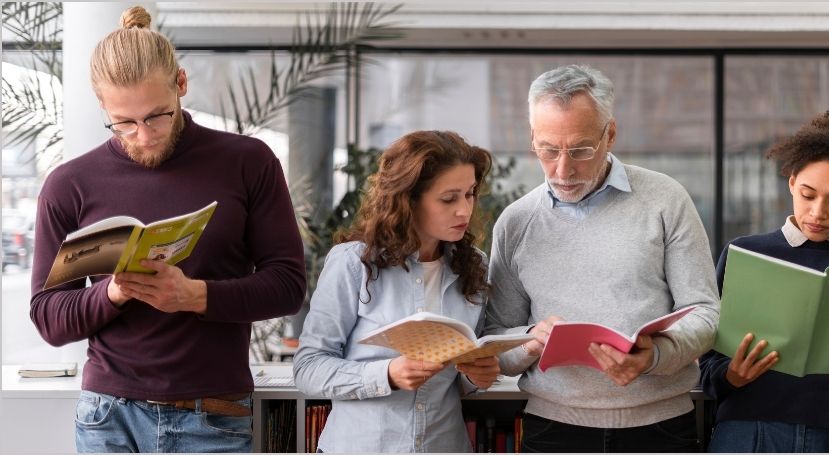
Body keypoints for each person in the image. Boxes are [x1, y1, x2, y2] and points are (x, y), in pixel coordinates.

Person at [28, 6, 306, 453]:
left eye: (157, 115)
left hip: (212, 414)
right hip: (106, 419)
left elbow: (288, 286)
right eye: (123, 122)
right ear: (103, 105)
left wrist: (195, 296)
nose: (142, 135)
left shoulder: (247, 162)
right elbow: (49, 318)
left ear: (181, 83)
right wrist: (114, 293)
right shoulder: (70, 184)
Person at [480, 64, 720, 453]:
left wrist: (655, 355)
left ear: (610, 134)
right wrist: (528, 342)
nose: (562, 169)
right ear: (533, 139)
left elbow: (705, 312)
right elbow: (495, 341)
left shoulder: (665, 199)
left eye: (580, 150)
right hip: (553, 429)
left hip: (659, 428)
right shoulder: (516, 222)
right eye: (548, 149)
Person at [699, 109, 829, 452]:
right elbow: (707, 361)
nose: (818, 212)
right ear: (791, 181)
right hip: (745, 430)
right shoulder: (745, 252)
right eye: (808, 194)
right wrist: (731, 376)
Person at [293, 130, 501, 452]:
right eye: (449, 198)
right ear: (408, 200)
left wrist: (477, 376)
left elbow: (459, 383)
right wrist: (386, 374)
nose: (464, 210)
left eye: (470, 194)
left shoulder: (474, 266)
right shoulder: (354, 263)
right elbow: (308, 369)